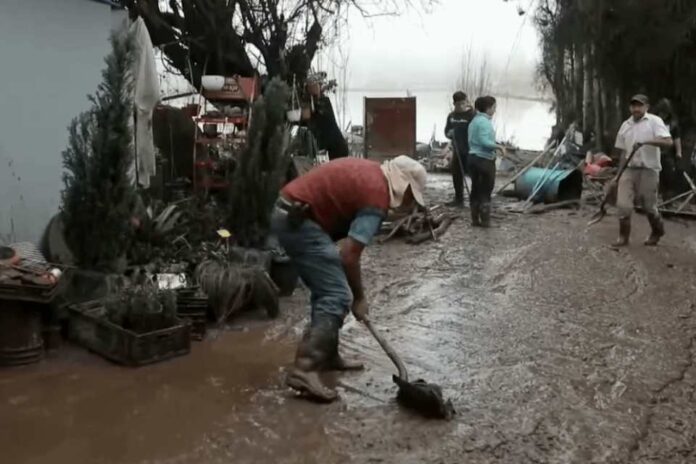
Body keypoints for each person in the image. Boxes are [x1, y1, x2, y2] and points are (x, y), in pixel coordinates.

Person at [270, 155, 427, 402]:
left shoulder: (373, 173)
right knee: (337, 295)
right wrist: (359, 298)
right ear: (403, 185)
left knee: (327, 289)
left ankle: (328, 355)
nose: (410, 203)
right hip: (298, 220)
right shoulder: (377, 197)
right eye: (411, 195)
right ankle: (305, 368)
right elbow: (349, 256)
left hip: (290, 211)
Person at [612, 94, 673, 247]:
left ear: (646, 107)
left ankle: (657, 230)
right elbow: (623, 153)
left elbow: (668, 142)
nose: (636, 108)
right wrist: (618, 175)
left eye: (639, 105)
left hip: (649, 169)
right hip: (629, 169)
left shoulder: (654, 121)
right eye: (633, 105)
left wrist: (646, 142)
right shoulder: (625, 125)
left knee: (648, 206)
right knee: (623, 204)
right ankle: (623, 237)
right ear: (630, 107)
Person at [467, 96, 505, 227]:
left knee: (476, 189)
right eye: (494, 107)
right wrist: (498, 146)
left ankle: (475, 219)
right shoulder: (484, 122)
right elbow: (484, 142)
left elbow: (474, 140)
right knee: (485, 190)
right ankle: (485, 221)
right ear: (488, 108)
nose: (495, 110)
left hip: (472, 158)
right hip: (483, 160)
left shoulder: (474, 121)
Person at [302, 74, 349, 160]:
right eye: (311, 87)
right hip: (331, 148)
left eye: (315, 86)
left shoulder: (324, 102)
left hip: (338, 146)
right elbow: (307, 119)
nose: (313, 88)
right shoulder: (312, 104)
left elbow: (322, 114)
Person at [444, 91, 475, 207]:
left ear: (466, 102)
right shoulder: (451, 116)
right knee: (456, 174)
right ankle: (459, 199)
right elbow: (446, 131)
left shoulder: (472, 115)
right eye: (458, 104)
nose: (461, 106)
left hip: (471, 150)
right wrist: (449, 133)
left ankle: (475, 199)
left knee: (473, 175)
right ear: (454, 104)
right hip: (457, 150)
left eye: (463, 103)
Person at [653, 98, 683, 200]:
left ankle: (668, 201)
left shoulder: (673, 124)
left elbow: (676, 138)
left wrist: (679, 152)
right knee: (655, 178)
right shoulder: (653, 122)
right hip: (654, 154)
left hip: (668, 155)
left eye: (665, 113)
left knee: (669, 177)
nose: (663, 115)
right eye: (662, 112)